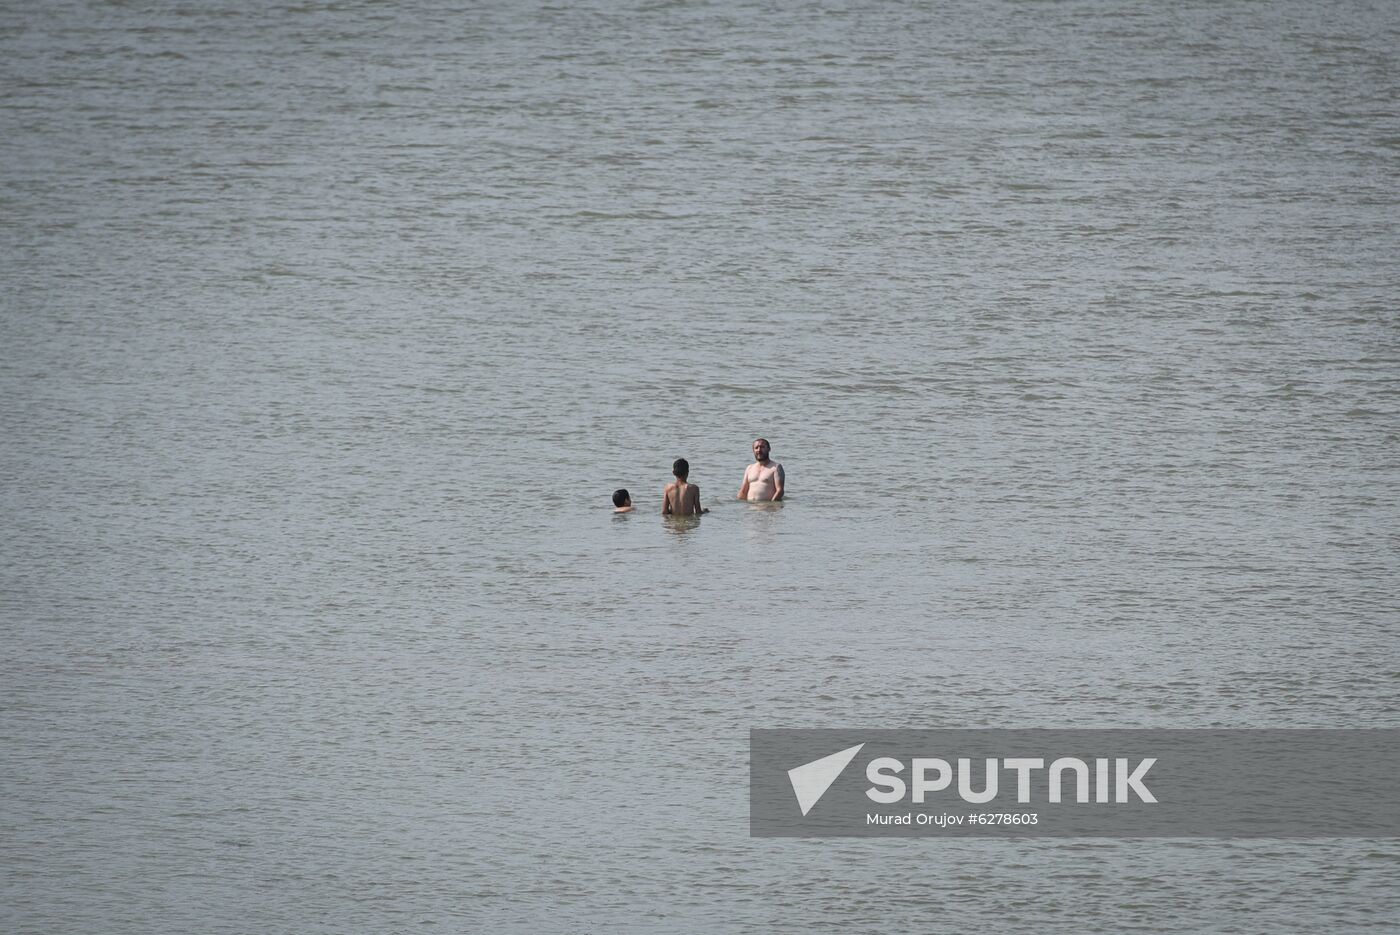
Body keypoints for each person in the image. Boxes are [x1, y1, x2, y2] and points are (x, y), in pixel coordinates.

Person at [738, 437, 784, 501]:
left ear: (769, 449)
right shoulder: (749, 468)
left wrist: (771, 504)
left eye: (762, 447)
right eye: (756, 448)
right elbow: (743, 491)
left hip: (767, 508)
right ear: (753, 450)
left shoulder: (776, 467)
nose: (759, 450)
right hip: (750, 508)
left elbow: (780, 491)